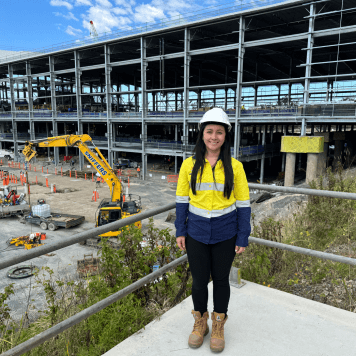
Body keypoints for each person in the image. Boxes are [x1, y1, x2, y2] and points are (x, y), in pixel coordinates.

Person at [175, 107, 251, 352]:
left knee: (220, 281)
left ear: (225, 136)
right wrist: (180, 230)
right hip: (196, 232)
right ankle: (200, 323)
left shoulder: (235, 167)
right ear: (202, 134)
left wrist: (242, 235)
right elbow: (182, 202)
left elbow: (243, 204)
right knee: (198, 282)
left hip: (225, 233)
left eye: (219, 132)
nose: (214, 137)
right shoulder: (188, 165)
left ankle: (218, 323)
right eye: (209, 131)